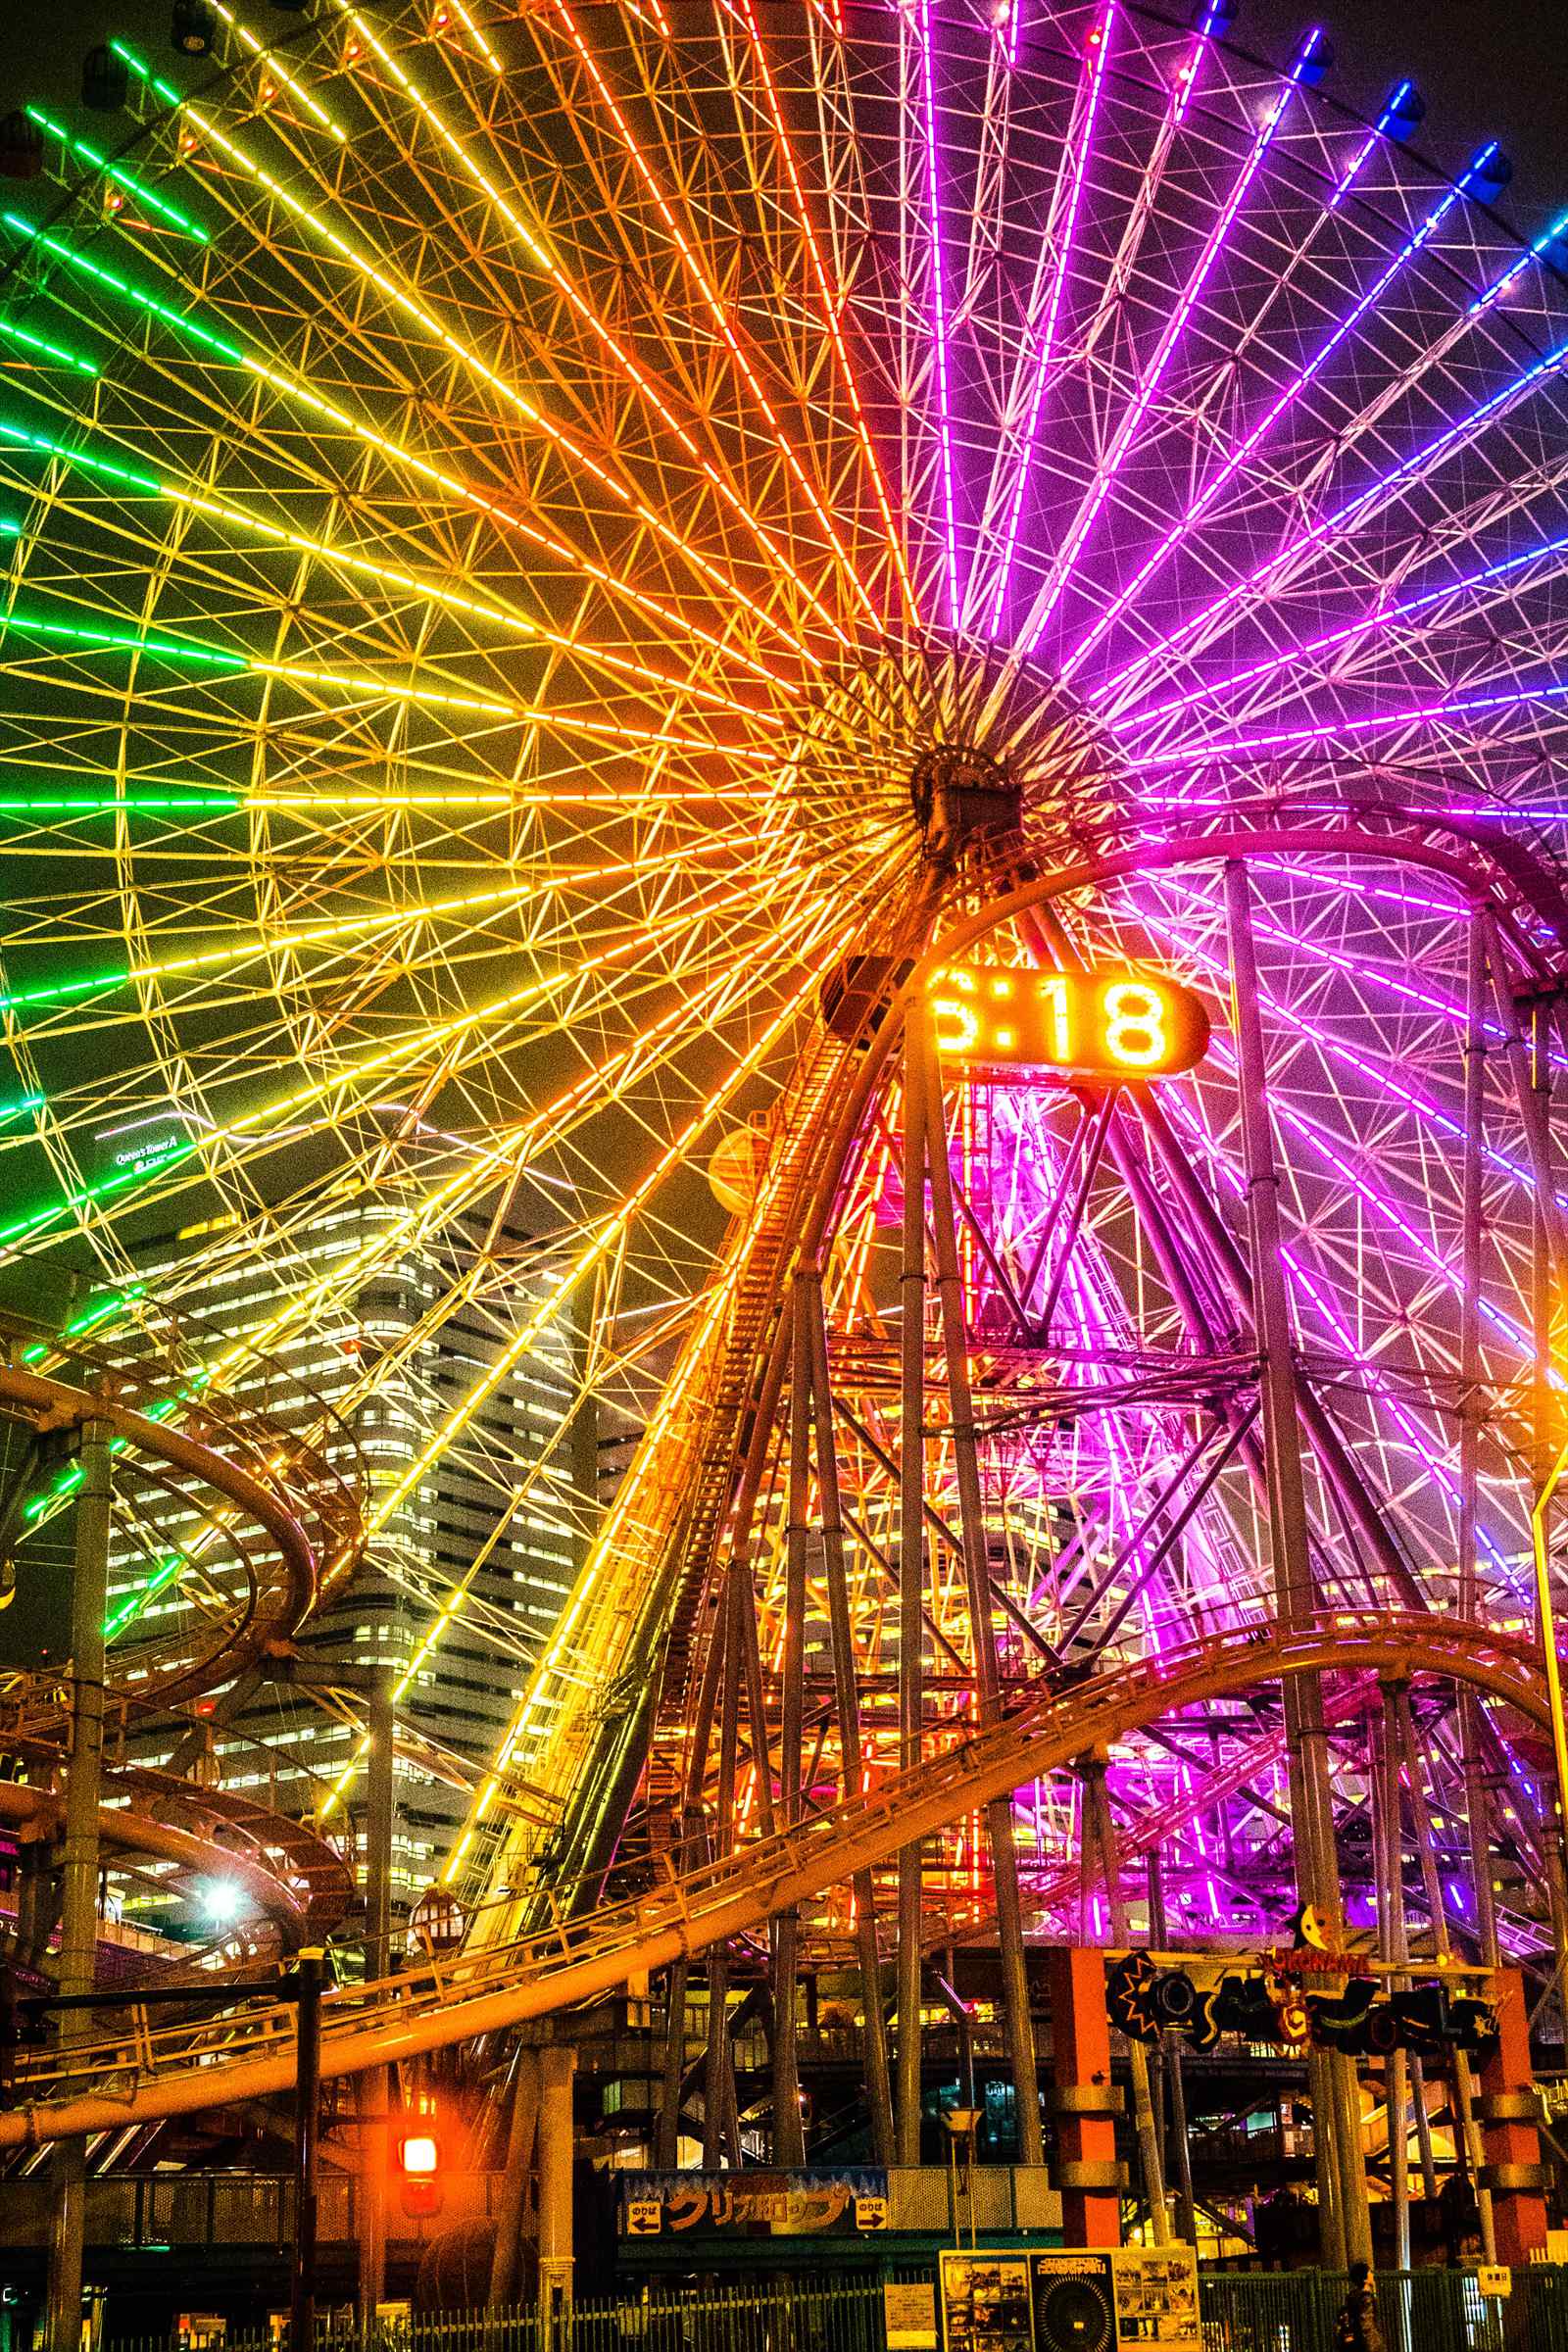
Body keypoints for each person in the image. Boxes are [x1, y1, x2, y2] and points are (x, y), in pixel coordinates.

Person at [1333, 2261, 1386, 2352]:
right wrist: (1374, 2346)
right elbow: (1366, 2324)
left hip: (1358, 2342)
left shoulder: (1352, 2296)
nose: (1372, 2275)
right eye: (1370, 2273)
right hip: (1370, 2344)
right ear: (1365, 2279)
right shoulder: (1366, 2298)